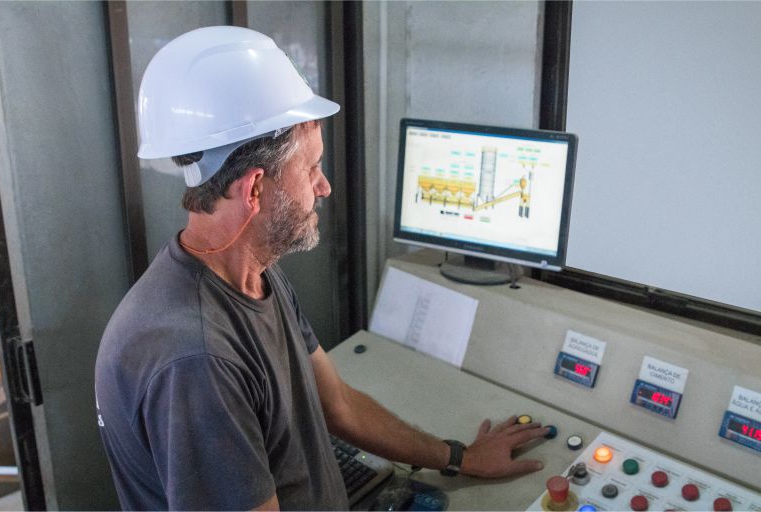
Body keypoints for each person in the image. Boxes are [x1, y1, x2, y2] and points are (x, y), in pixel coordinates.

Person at [95, 26, 549, 511]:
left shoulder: (254, 273)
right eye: (311, 168)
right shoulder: (195, 361)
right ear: (254, 190)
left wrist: (459, 457)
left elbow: (338, 405)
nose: (325, 186)